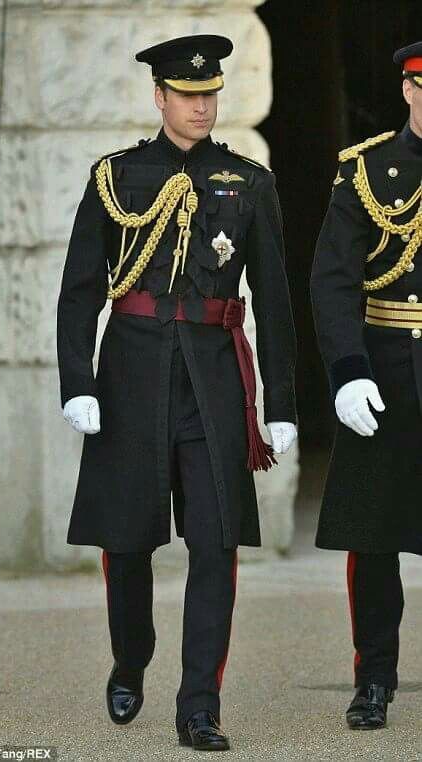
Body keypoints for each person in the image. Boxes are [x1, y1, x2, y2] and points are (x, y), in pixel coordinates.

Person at [57, 34, 297, 751]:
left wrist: (280, 402)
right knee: (126, 542)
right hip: (130, 372)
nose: (202, 105)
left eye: (211, 94)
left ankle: (200, 705)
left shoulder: (247, 182)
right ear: (160, 96)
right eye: (188, 95)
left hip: (213, 375)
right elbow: (78, 293)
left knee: (215, 542)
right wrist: (78, 382)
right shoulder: (116, 177)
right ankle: (131, 657)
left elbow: (275, 300)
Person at [310, 41, 422, 730]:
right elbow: (332, 281)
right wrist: (348, 370)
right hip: (387, 365)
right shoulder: (368, 171)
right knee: (377, 540)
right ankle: (374, 679)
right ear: (412, 89)